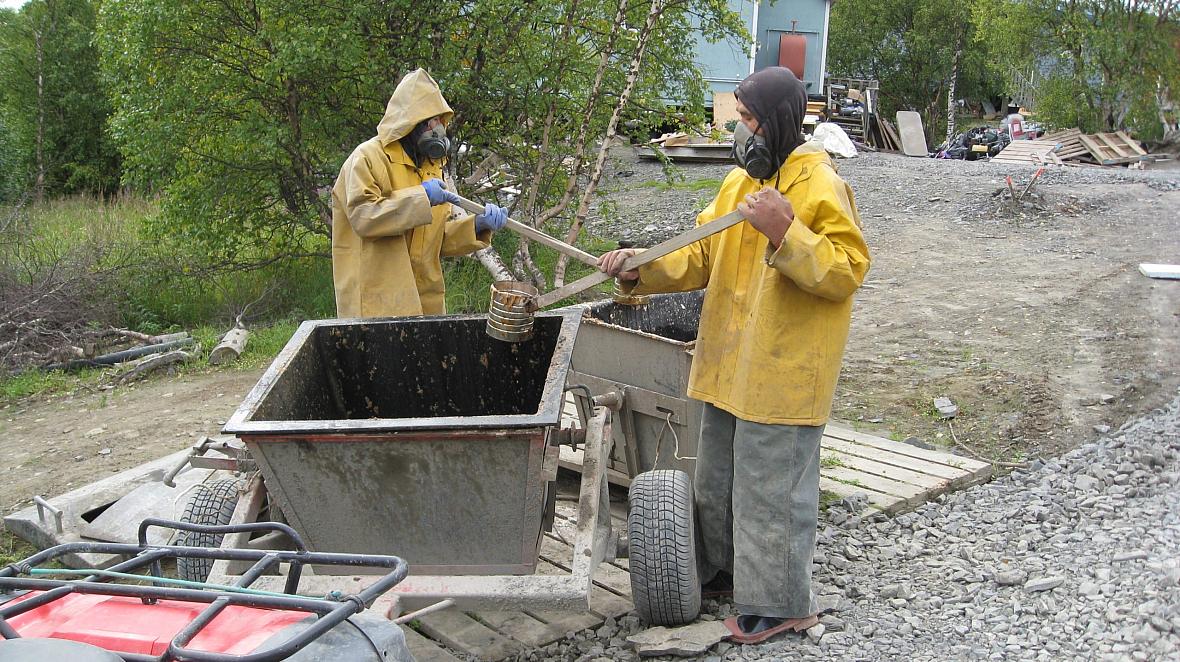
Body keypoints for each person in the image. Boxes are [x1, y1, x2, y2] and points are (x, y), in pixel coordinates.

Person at [598, 66, 870, 643]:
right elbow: (696, 257)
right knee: (716, 480)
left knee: (771, 490)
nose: (739, 132)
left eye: (747, 120)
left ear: (777, 122)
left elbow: (846, 270)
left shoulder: (820, 185)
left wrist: (785, 233)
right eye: (738, 120)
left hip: (784, 370)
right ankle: (724, 576)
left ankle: (781, 604)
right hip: (728, 363)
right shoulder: (738, 185)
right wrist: (639, 268)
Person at [331, 68, 509, 318]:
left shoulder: (432, 168)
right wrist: (421, 198)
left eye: (439, 120)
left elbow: (434, 237)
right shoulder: (368, 158)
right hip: (376, 304)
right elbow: (364, 217)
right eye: (429, 121)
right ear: (409, 122)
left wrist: (477, 226)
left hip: (425, 302)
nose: (436, 128)